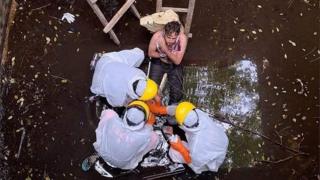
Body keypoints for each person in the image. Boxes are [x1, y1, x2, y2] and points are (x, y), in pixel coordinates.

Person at [147, 101, 229, 174]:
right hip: (220, 141)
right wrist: (158, 109)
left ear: (185, 125)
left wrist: (179, 147)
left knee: (173, 153)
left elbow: (192, 161)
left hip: (211, 160)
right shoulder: (198, 113)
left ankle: (204, 170)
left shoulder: (197, 145)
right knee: (179, 109)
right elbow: (180, 109)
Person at [93, 100, 159, 170]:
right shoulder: (148, 136)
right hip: (122, 164)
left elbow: (104, 115)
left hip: (102, 151)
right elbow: (155, 140)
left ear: (125, 113)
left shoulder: (110, 115)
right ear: (144, 122)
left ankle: (98, 156)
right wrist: (149, 125)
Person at [90, 48, 158, 108]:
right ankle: (96, 66)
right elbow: (114, 103)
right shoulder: (120, 99)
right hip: (97, 79)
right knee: (102, 92)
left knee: (139, 54)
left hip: (106, 60)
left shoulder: (139, 74)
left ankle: (99, 59)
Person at [148, 21, 188, 104]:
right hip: (159, 61)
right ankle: (155, 108)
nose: (170, 41)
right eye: (168, 37)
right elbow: (150, 53)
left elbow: (177, 61)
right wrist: (162, 55)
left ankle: (172, 110)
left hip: (174, 64)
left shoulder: (182, 38)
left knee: (177, 93)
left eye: (173, 38)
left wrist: (164, 48)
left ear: (177, 35)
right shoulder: (157, 36)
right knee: (151, 89)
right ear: (164, 33)